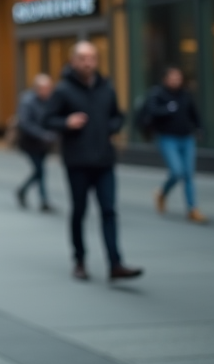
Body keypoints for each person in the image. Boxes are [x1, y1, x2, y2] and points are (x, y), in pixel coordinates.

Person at [45, 42, 143, 282]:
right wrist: (66, 122)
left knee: (109, 210)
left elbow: (117, 116)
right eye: (83, 58)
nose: (88, 63)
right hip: (77, 161)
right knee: (79, 211)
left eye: (92, 58)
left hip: (104, 160)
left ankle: (115, 263)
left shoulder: (106, 88)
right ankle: (79, 260)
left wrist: (111, 127)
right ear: (73, 61)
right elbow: (47, 119)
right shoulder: (63, 90)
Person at [144, 66, 206, 224]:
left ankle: (192, 209)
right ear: (165, 79)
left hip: (187, 138)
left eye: (178, 77)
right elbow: (151, 112)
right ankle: (162, 193)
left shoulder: (186, 94)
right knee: (177, 171)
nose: (176, 80)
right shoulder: (158, 94)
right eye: (172, 77)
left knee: (188, 174)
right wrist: (167, 109)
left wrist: (199, 128)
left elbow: (194, 112)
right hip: (167, 138)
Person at [15, 74, 57, 212]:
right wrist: (43, 134)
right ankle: (42, 200)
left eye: (49, 88)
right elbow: (25, 123)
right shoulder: (28, 101)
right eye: (44, 88)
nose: (47, 91)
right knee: (40, 170)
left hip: (43, 143)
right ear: (37, 89)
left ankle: (25, 191)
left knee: (40, 171)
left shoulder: (50, 100)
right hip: (30, 142)